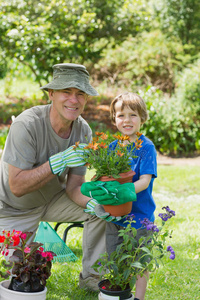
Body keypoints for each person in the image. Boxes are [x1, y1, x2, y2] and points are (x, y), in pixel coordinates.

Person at [0, 63, 109, 291]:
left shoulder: (83, 131)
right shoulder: (26, 125)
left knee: (103, 210)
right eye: (66, 92)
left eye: (80, 94)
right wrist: (58, 161)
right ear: (51, 94)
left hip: (52, 199)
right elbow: (17, 186)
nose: (74, 100)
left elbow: (74, 187)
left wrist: (93, 205)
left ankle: (91, 279)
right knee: (15, 281)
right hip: (12, 208)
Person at [81, 92, 157, 300]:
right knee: (115, 256)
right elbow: (105, 175)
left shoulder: (146, 147)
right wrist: (99, 190)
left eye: (133, 115)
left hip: (140, 216)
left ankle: (139, 298)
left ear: (142, 118)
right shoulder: (113, 147)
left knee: (139, 259)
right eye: (121, 115)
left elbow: (145, 180)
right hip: (115, 214)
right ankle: (121, 293)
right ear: (114, 119)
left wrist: (126, 192)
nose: (127, 120)